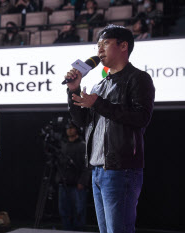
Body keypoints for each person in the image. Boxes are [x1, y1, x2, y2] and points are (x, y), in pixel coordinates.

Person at [64, 24, 155, 233]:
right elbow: (82, 121)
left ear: (124, 46)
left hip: (121, 169)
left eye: (105, 43)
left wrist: (98, 103)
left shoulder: (138, 78)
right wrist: (74, 89)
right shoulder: (99, 85)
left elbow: (141, 118)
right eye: (97, 45)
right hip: (98, 169)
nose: (99, 50)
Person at [57, 122, 90, 231]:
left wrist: (82, 182)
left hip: (77, 185)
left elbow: (87, 166)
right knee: (64, 211)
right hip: (64, 184)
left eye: (71, 128)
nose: (69, 130)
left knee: (79, 211)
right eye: (67, 128)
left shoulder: (83, 145)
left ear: (76, 129)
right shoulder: (63, 145)